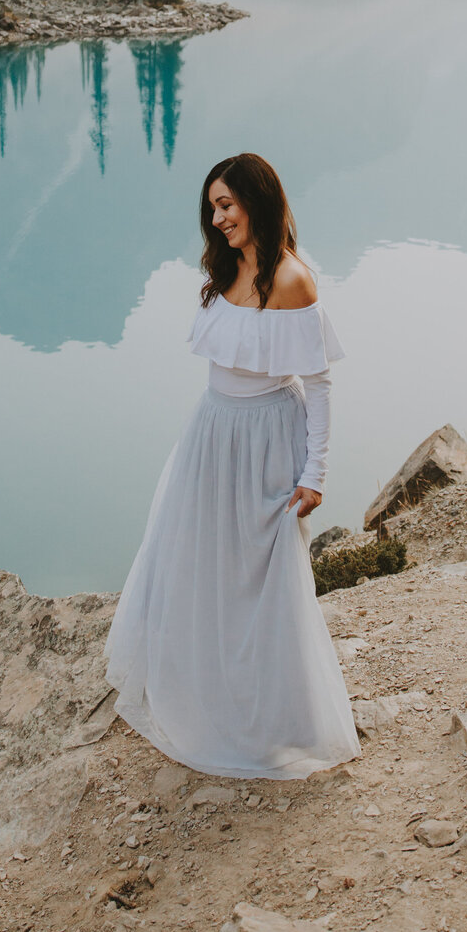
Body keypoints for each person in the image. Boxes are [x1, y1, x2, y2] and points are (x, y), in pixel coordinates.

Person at [105, 151, 360, 780]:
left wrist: (315, 473)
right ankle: (207, 703)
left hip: (270, 438)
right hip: (213, 431)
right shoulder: (224, 272)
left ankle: (277, 724)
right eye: (212, 208)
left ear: (258, 200)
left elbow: (320, 385)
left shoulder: (292, 279)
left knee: (265, 582)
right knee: (199, 564)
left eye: (227, 204)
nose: (218, 219)